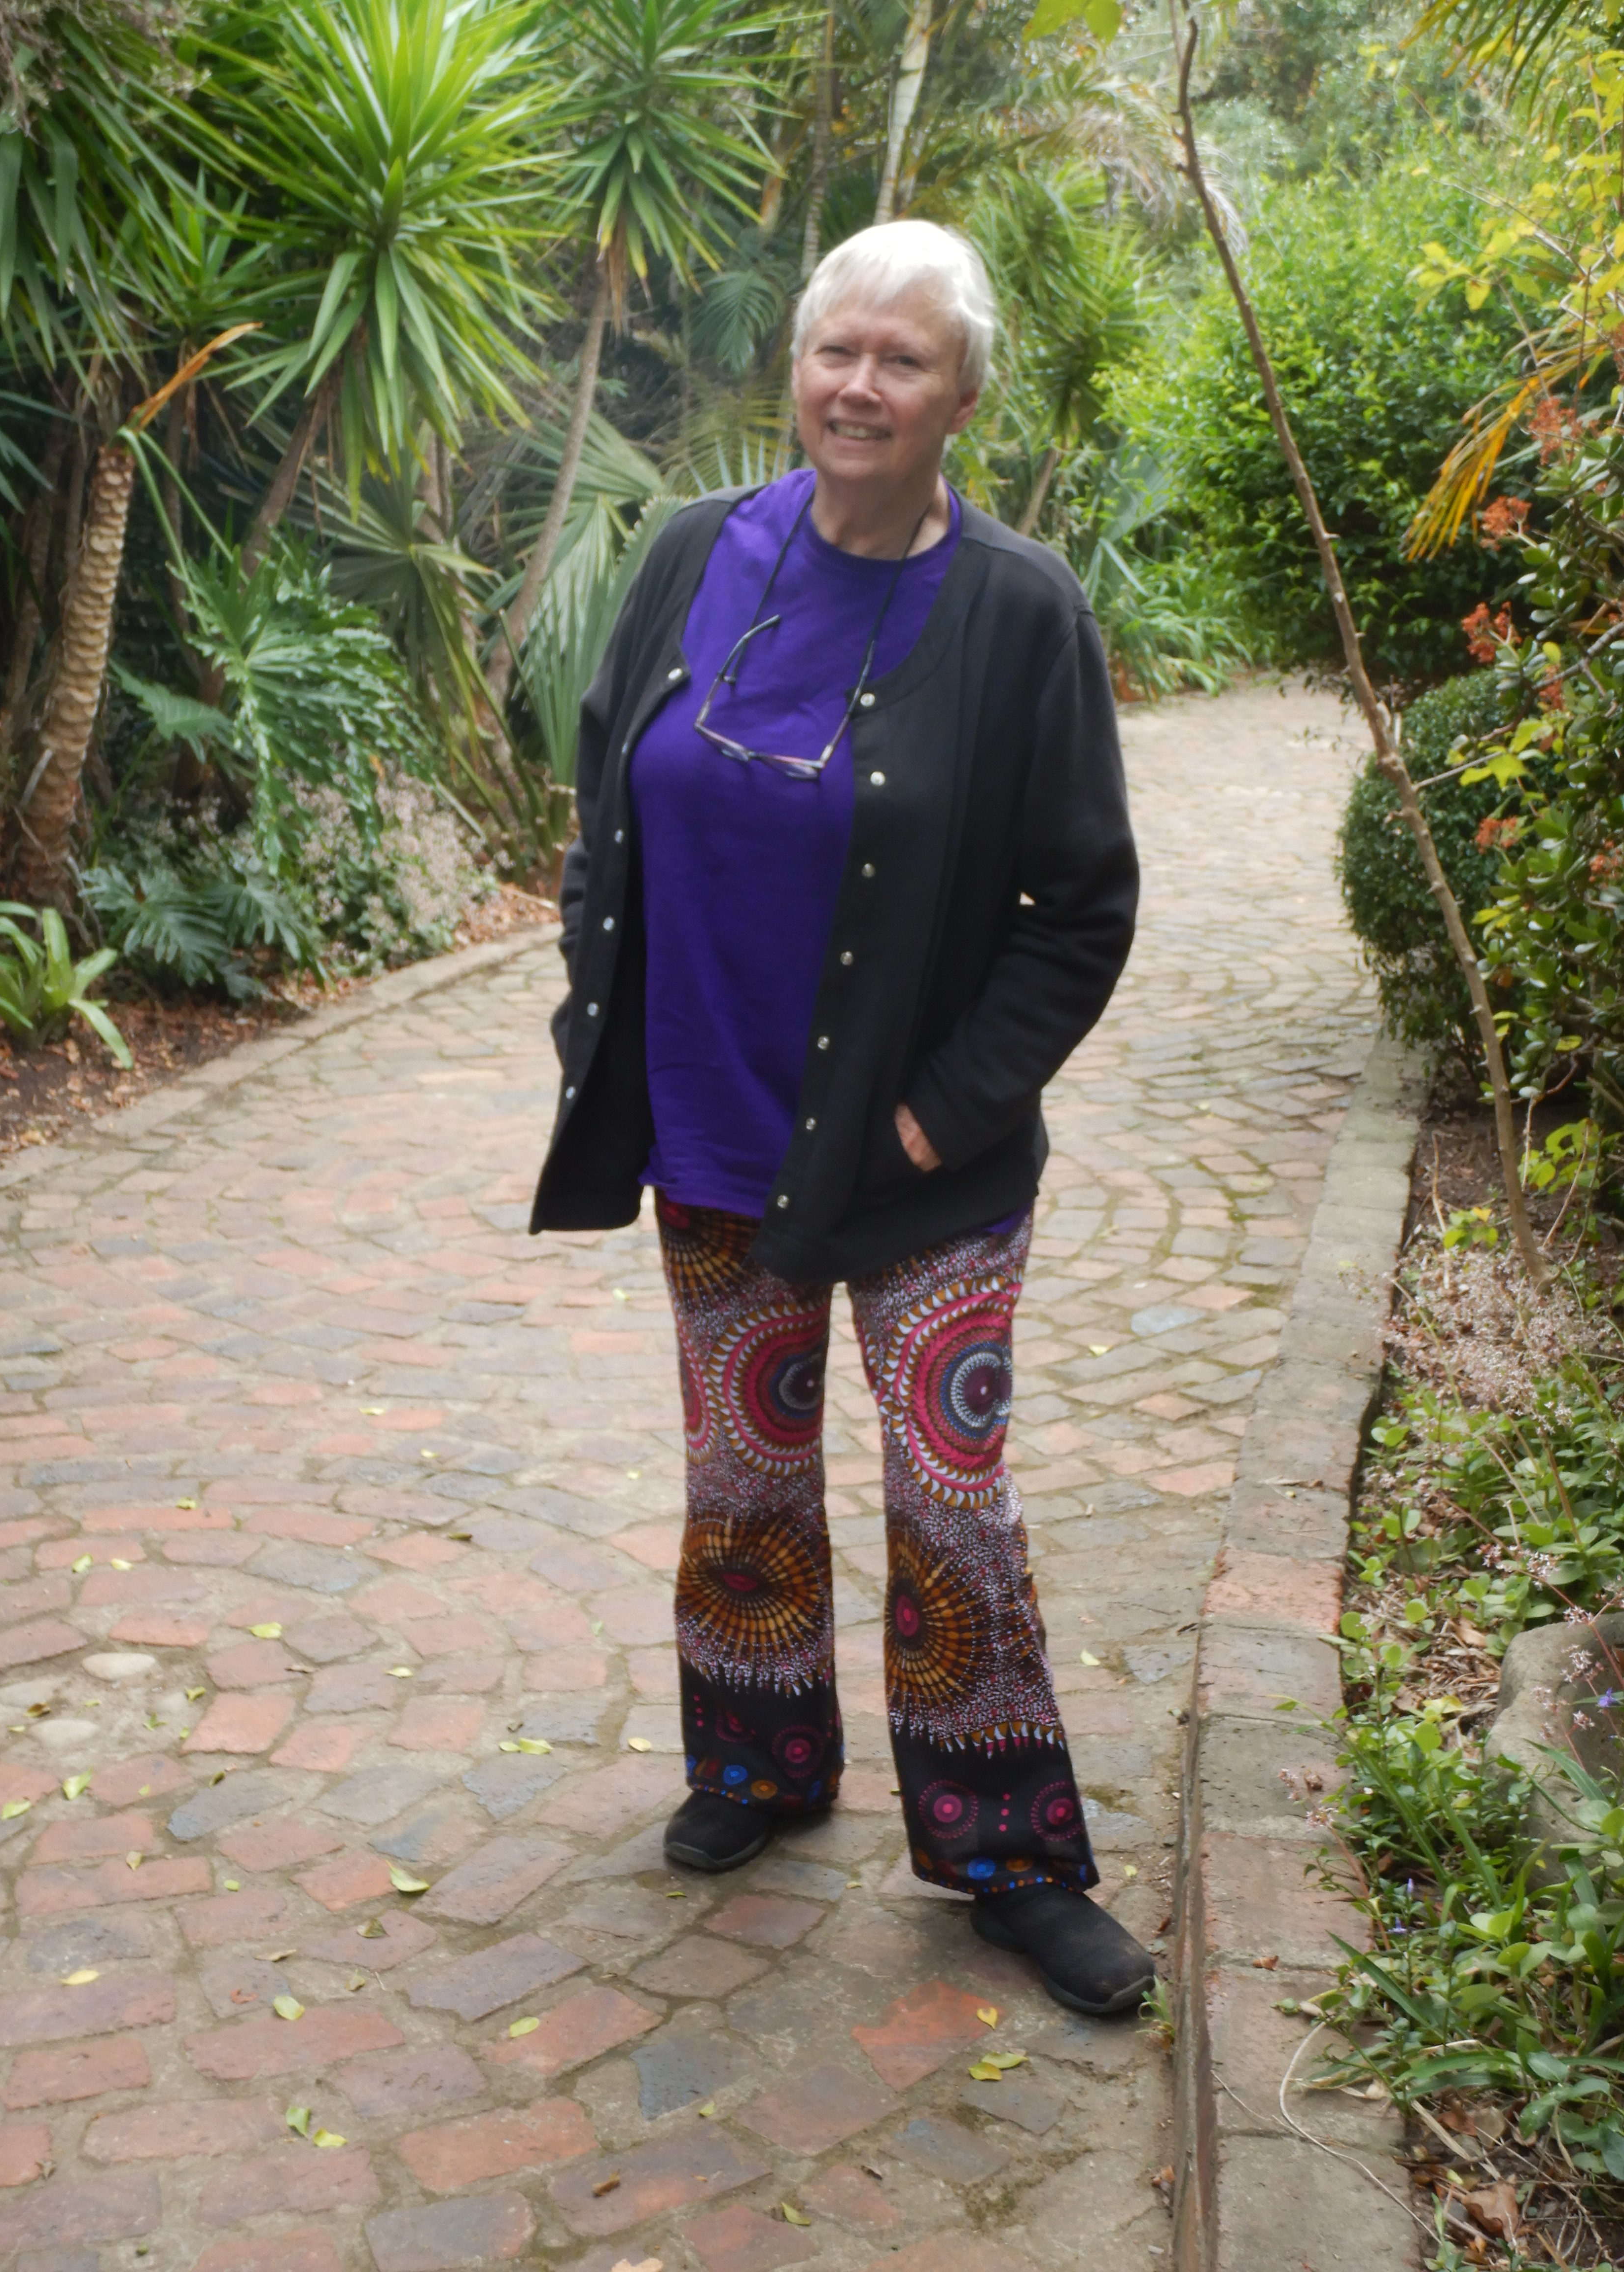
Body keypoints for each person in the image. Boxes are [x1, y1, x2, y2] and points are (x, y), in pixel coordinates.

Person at [530, 219, 1151, 2017]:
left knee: (953, 1499)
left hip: (923, 1166)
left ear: (962, 398)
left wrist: (946, 1114)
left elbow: (1082, 908)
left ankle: (1010, 1857)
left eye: (902, 359)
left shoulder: (1019, 612)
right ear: (796, 370)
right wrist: (598, 1001)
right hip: (712, 1129)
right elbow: (606, 799)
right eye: (836, 351)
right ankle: (760, 1761)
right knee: (743, 1468)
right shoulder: (686, 553)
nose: (859, 385)